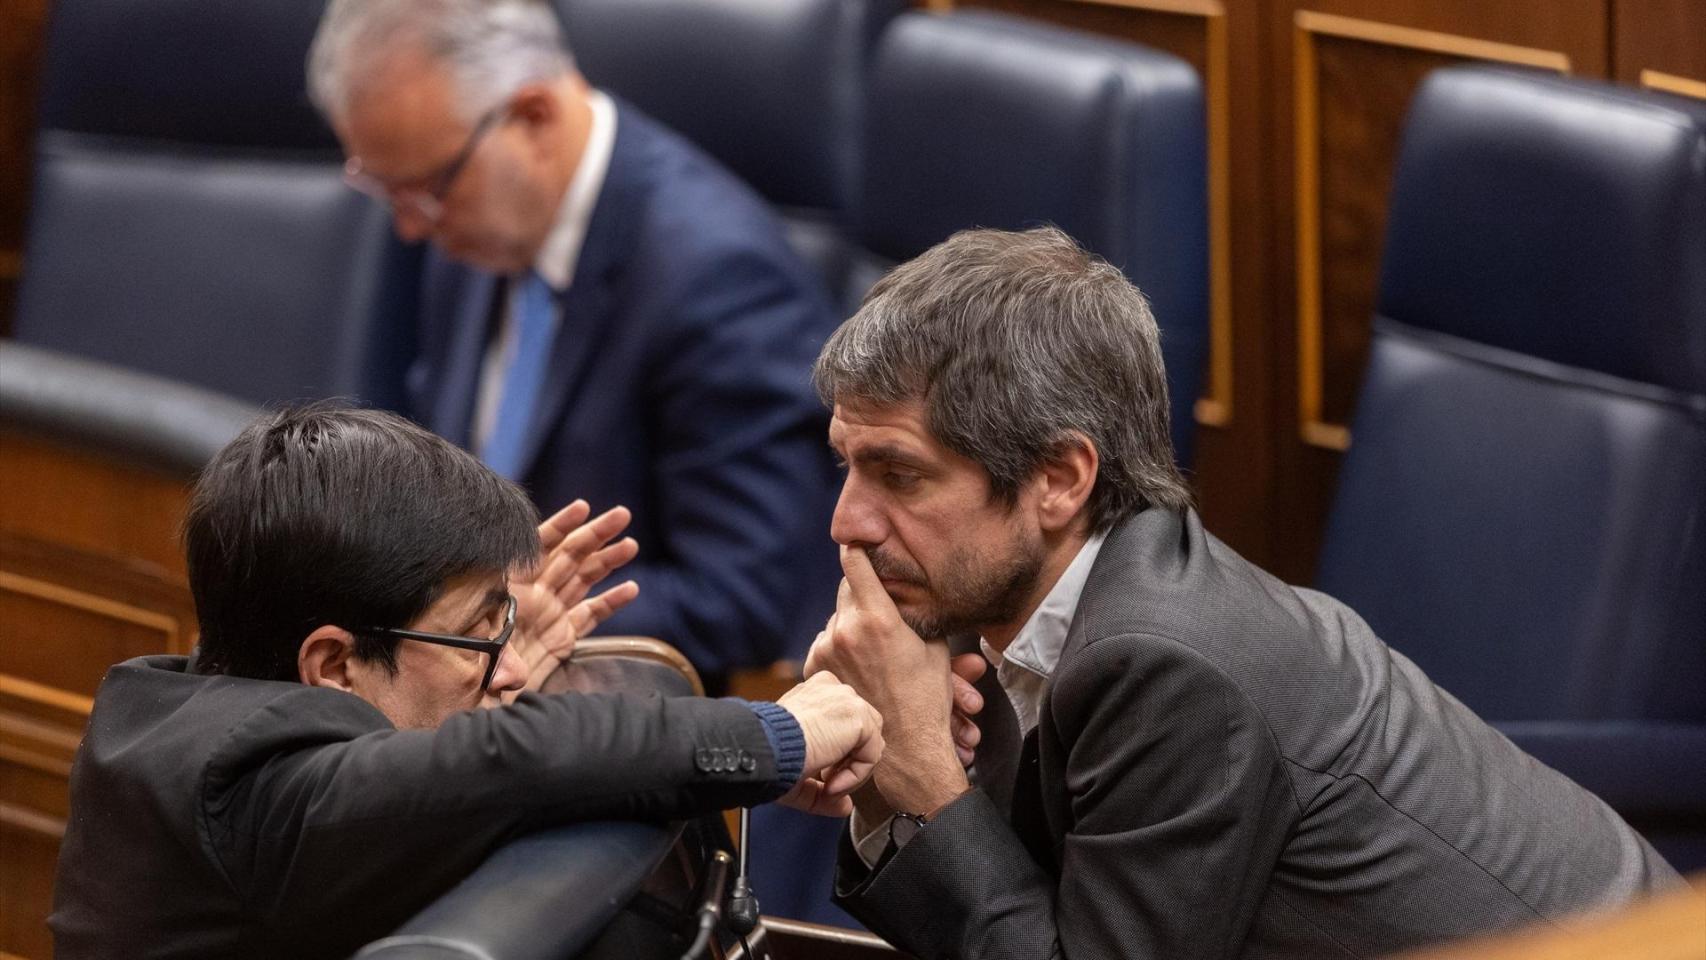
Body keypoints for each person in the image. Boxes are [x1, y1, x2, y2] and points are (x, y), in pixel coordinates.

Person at [804, 227, 1682, 959]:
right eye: (848, 466)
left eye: (899, 475)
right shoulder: (1019, 612)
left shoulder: (1167, 663)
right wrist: (889, 767)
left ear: (1059, 479)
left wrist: (921, 772)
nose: (848, 522)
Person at [49, 404, 882, 960]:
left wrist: (475, 650)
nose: (513, 672)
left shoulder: (177, 703)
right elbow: (511, 760)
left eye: (503, 625)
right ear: (333, 664)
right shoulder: (255, 787)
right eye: (480, 635)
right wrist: (781, 732)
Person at [305, 0, 841, 681]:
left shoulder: (719, 280)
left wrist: (483, 617)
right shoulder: (470, 227)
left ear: (532, 116)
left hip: (624, 730)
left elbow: (739, 601)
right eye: (387, 192)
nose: (410, 228)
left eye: (426, 189)